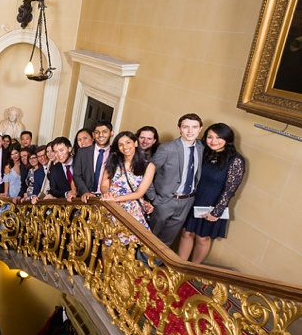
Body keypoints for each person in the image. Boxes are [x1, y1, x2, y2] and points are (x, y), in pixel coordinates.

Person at [178, 124, 245, 264]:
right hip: (194, 199)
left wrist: (217, 211)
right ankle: (178, 267)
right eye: (210, 137)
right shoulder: (204, 153)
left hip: (213, 203)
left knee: (202, 238)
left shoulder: (236, 160)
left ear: (227, 138)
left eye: (219, 137)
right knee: (186, 233)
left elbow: (230, 190)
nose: (214, 141)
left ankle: (193, 269)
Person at [147, 113, 204, 247]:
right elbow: (147, 172)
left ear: (200, 129)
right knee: (150, 236)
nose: (190, 131)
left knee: (167, 240)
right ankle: (139, 264)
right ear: (179, 129)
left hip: (187, 200)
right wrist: (154, 198)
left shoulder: (201, 147)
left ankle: (155, 265)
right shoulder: (167, 149)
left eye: (194, 127)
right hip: (165, 201)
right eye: (186, 127)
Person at [100, 131, 157, 244]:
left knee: (126, 247)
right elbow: (104, 184)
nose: (125, 147)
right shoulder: (113, 162)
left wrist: (116, 199)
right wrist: (107, 194)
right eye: (120, 144)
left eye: (128, 142)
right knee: (107, 244)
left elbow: (139, 193)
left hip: (131, 209)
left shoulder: (148, 166)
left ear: (135, 143)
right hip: (110, 207)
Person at [73, 120, 114, 202]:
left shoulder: (116, 153)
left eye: (104, 132)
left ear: (111, 133)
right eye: (97, 132)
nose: (101, 135)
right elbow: (77, 175)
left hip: (107, 198)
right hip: (86, 198)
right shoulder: (82, 152)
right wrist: (85, 192)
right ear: (93, 135)